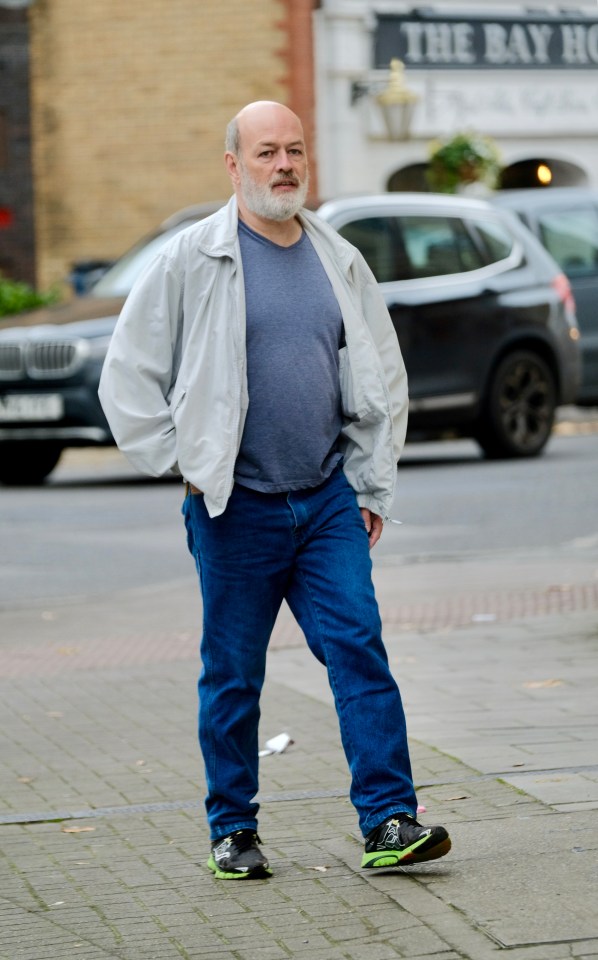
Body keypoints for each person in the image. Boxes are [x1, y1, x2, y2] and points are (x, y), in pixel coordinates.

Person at [98, 100, 451, 880]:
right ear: (233, 164)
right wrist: (182, 459)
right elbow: (128, 375)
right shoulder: (191, 259)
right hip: (236, 506)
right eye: (265, 153)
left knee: (358, 648)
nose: (283, 165)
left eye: (294, 151)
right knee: (234, 674)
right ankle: (233, 829)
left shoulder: (338, 258)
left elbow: (381, 376)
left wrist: (372, 487)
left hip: (327, 496)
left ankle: (390, 820)